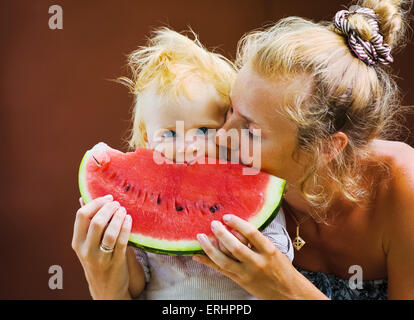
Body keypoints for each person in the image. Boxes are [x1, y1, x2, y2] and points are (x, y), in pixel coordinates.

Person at [192, 0, 414, 299]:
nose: (221, 138)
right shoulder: (238, 179)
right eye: (230, 109)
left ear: (327, 147)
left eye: (250, 130)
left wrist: (286, 290)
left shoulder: (402, 186)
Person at [71, 27, 293, 299]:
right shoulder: (139, 209)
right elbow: (134, 285)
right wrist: (116, 245)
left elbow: (279, 254)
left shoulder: (248, 185)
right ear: (146, 140)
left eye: (204, 130)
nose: (189, 146)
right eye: (170, 134)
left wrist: (249, 244)